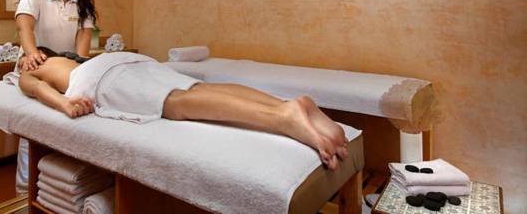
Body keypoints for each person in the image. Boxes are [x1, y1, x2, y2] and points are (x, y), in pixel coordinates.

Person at [18, 51, 349, 170]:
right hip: (128, 61)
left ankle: (282, 118)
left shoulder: (37, 66)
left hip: (102, 77)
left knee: (174, 103)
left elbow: (32, 87)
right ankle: (286, 104)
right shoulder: (74, 60)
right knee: (196, 89)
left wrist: (65, 103)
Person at [14, 0, 98, 194]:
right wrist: (32, 54)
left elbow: (84, 37)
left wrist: (79, 66)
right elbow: (24, 27)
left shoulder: (82, 4)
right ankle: (24, 191)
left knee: (65, 123)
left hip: (64, 68)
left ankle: (56, 188)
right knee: (33, 126)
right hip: (38, 63)